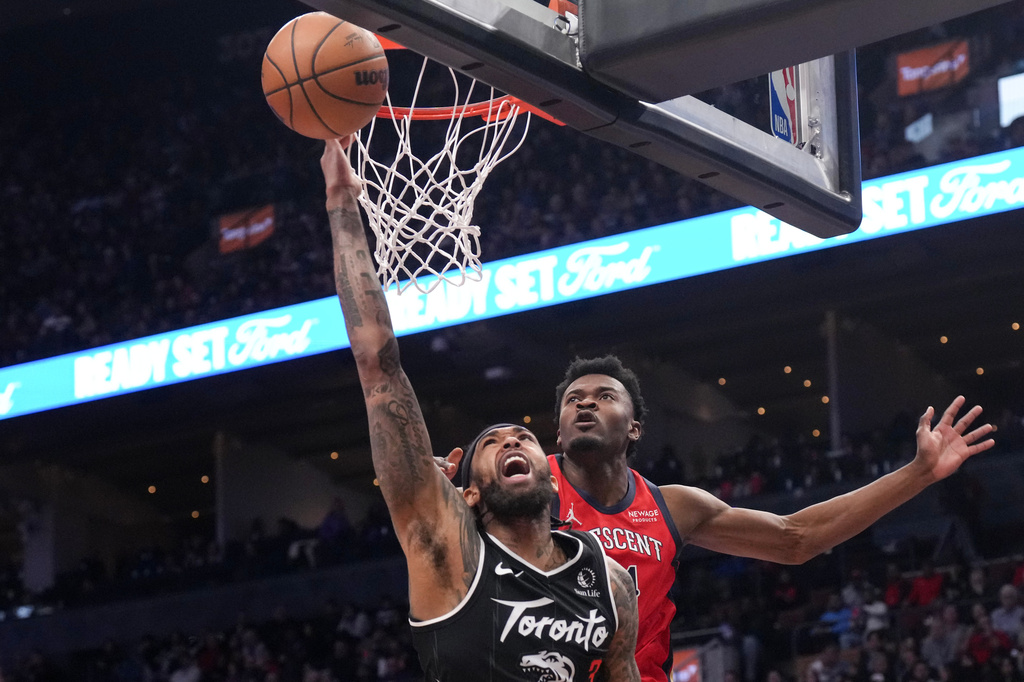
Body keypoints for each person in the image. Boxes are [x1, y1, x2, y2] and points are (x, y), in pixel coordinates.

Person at [440, 355, 995, 682]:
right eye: (573, 400)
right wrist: (444, 496)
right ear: (556, 433)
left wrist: (918, 473)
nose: (585, 404)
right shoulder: (519, 487)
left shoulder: (673, 506)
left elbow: (795, 538)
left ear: (634, 428)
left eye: (604, 396)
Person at [320, 138, 641, 682]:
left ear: (552, 470)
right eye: (491, 444)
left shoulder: (608, 582)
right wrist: (341, 206)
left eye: (523, 437)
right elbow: (378, 364)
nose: (514, 441)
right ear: (467, 491)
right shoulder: (445, 547)